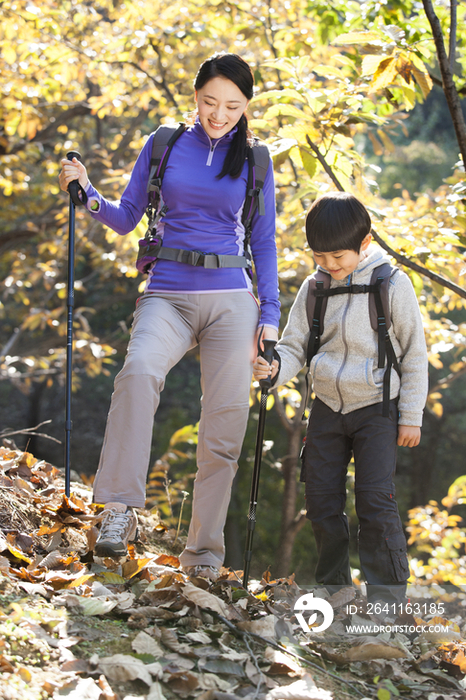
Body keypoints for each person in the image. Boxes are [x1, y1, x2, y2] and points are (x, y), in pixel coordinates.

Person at [59, 53, 279, 580]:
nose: (219, 114)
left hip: (232, 299)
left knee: (224, 428)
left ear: (246, 106)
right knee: (137, 373)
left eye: (232, 106)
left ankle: (203, 555)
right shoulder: (164, 143)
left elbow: (266, 241)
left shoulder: (255, 159)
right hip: (168, 292)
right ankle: (117, 511)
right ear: (195, 96)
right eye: (209, 102)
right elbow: (127, 216)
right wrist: (86, 193)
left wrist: (269, 316)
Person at [253, 192, 428, 605]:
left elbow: (414, 355)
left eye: (338, 257)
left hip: (378, 408)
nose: (330, 266)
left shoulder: (391, 284)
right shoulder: (315, 289)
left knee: (374, 500)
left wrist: (411, 416)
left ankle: (386, 601)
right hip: (328, 407)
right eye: (320, 257)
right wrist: (275, 369)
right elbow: (296, 346)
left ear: (364, 243)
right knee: (322, 501)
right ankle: (336, 590)